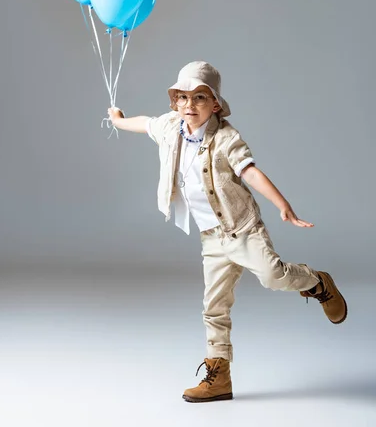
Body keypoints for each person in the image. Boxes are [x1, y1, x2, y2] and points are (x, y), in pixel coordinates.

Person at [107, 60, 347, 404]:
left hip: (242, 229)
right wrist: (118, 120)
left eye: (200, 98)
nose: (190, 105)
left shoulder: (226, 138)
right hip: (211, 237)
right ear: (174, 102)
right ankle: (219, 376)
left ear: (215, 104)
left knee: (272, 276)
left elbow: (250, 172)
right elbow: (145, 123)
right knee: (214, 305)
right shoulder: (171, 126)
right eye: (183, 98)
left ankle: (317, 282)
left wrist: (283, 204)